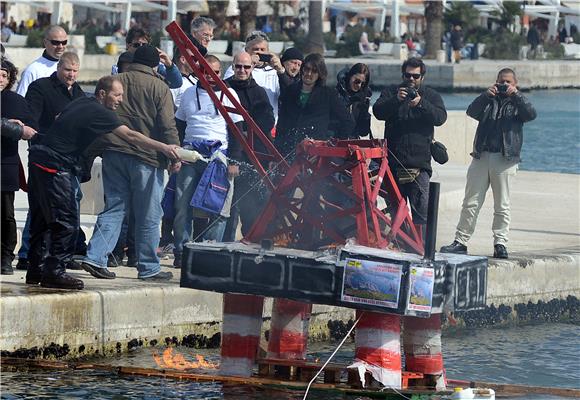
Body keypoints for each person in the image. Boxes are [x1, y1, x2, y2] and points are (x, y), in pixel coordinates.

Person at [25, 75, 180, 289]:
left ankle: (36, 270)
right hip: (55, 166)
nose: (120, 100)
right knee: (66, 223)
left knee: (41, 221)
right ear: (102, 94)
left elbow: (61, 116)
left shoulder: (82, 101)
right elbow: (132, 136)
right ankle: (54, 272)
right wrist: (165, 148)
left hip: (38, 160)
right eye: (116, 95)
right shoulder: (100, 111)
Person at [80, 45, 181, 282]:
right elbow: (167, 125)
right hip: (147, 158)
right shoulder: (160, 87)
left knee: (115, 207)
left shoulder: (116, 80)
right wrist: (174, 154)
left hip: (114, 153)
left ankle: (95, 257)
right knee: (149, 214)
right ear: (156, 65)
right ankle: (148, 268)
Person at [440, 68, 536, 259]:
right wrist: (485, 96)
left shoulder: (518, 103)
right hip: (481, 156)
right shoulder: (488, 100)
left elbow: (531, 114)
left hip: (505, 158)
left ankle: (500, 243)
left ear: (515, 84)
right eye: (501, 81)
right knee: (470, 202)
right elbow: (471, 111)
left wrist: (516, 95)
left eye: (508, 82)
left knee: (502, 205)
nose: (504, 85)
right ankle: (461, 241)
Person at [172, 55, 243, 267]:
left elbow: (238, 130)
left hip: (219, 155)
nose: (212, 77)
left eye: (216, 73)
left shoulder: (229, 94)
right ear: (199, 72)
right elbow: (179, 125)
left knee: (220, 209)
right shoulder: (187, 93)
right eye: (206, 72)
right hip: (190, 151)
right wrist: (176, 153)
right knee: (182, 205)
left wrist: (235, 160)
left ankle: (207, 251)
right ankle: (181, 252)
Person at [372, 57, 447, 235]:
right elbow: (378, 112)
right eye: (408, 75)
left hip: (419, 166)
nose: (411, 79)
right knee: (395, 211)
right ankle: (400, 243)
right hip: (392, 165)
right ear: (403, 75)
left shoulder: (430, 95)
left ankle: (422, 248)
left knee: (422, 213)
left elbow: (440, 117)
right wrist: (396, 100)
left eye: (415, 76)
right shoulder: (392, 92)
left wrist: (421, 103)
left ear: (423, 77)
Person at [223, 51, 275, 241]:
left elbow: (267, 123)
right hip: (230, 151)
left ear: (252, 67)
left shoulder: (259, 91)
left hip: (255, 154)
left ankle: (250, 240)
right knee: (228, 204)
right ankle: (226, 242)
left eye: (246, 67)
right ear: (233, 66)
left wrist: (269, 156)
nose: (242, 70)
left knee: (251, 203)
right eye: (238, 66)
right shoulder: (225, 88)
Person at [275, 53, 354, 160]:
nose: (309, 73)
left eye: (314, 71)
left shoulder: (328, 94)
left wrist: (333, 145)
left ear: (320, 74)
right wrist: (276, 155)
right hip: (288, 150)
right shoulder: (290, 90)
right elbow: (281, 124)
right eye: (306, 69)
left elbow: (348, 121)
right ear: (302, 69)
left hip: (316, 155)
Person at [1, 59, 37, 275]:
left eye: (4, 75)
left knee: (6, 214)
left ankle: (6, 257)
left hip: (6, 163)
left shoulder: (15, 100)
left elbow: (31, 128)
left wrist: (19, 126)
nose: (0, 78)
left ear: (10, 78)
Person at [224, 31, 282, 120]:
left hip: (269, 122)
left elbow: (286, 94)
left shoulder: (274, 71)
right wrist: (250, 65)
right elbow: (230, 88)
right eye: (255, 49)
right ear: (247, 51)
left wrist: (281, 71)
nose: (259, 53)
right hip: (242, 121)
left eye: (263, 50)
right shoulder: (237, 68)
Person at [112, 27, 182, 89]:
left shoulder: (156, 66)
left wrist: (169, 65)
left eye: (144, 45)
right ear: (128, 45)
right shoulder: (120, 66)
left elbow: (176, 83)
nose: (141, 48)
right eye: (137, 45)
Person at [16, 25, 68, 96]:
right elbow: (20, 100)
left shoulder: (68, 68)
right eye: (55, 42)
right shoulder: (32, 71)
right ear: (45, 42)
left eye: (64, 42)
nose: (61, 46)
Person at [336, 63, 372, 138]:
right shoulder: (336, 94)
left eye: (362, 84)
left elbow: (363, 132)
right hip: (335, 142)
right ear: (350, 77)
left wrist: (364, 112)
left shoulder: (363, 98)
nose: (359, 85)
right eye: (357, 81)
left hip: (353, 143)